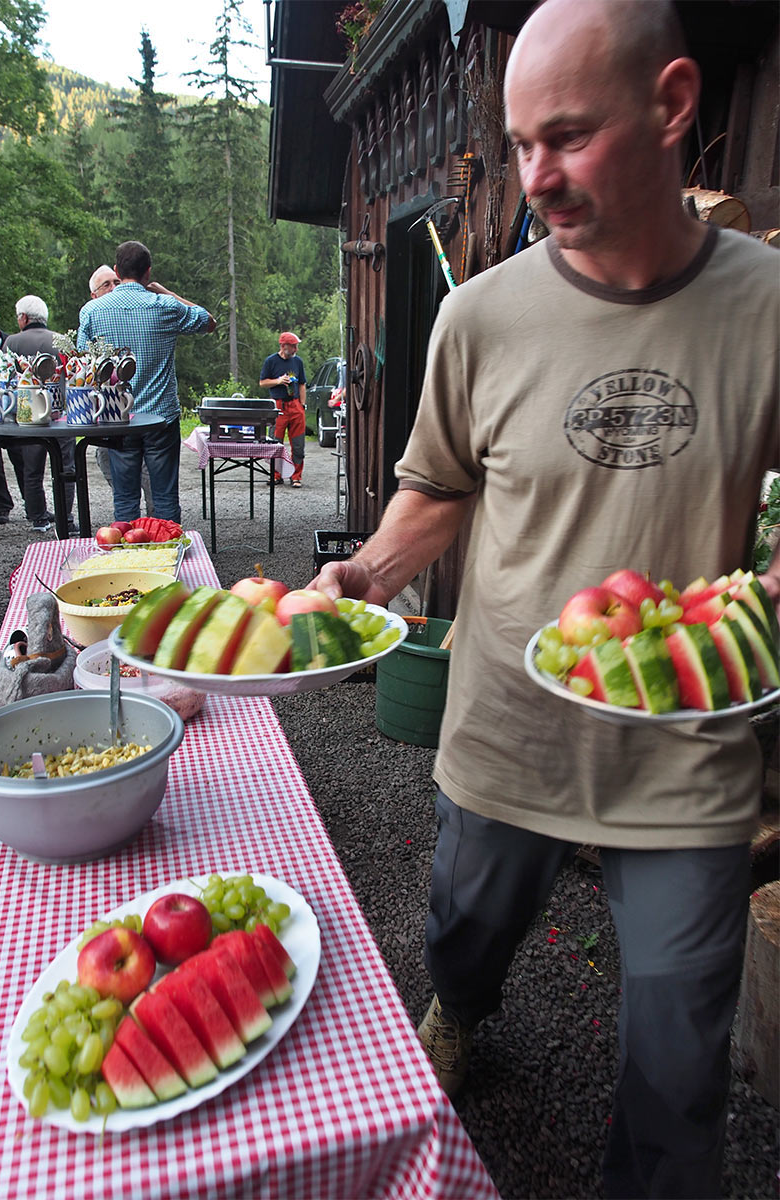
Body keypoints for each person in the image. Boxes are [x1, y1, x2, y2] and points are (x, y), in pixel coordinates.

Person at [309, 2, 780, 1196]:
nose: (536, 177)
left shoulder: (768, 306)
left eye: (566, 137)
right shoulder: (479, 315)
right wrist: (368, 574)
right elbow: (436, 489)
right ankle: (462, 1011)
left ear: (671, 105)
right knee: (462, 933)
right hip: (506, 723)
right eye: (520, 144)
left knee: (678, 1061)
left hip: (683, 737)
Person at [77, 240, 216, 522]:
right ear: (148, 271)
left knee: (124, 499)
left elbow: (82, 361)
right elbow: (208, 321)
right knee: (165, 498)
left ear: (117, 270)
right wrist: (168, 292)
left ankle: (128, 546)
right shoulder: (166, 306)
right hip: (160, 417)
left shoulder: (91, 311)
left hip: (117, 416)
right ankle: (166, 548)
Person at [1, 295, 77, 533]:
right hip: (61, 414)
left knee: (32, 469)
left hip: (29, 415)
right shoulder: (62, 340)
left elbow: (5, 378)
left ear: (23, 318)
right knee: (67, 468)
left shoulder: (12, 342)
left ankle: (38, 518)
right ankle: (67, 519)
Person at [86, 265, 154, 517]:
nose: (114, 288)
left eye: (116, 282)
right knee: (123, 492)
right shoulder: (92, 317)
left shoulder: (140, 313)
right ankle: (129, 531)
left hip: (146, 415)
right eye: (106, 285)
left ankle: (155, 529)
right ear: (94, 295)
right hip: (109, 419)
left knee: (153, 489)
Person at [0, 295, 32, 525]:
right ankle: (2, 507)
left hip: (11, 409)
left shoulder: (8, 341)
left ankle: (33, 506)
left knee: (22, 457)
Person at [259, 332, 307, 487]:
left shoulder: (298, 362)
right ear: (283, 346)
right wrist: (278, 381)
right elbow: (262, 383)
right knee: (275, 443)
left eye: (296, 346)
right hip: (278, 406)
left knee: (298, 444)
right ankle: (276, 475)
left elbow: (302, 384)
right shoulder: (271, 361)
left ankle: (296, 476)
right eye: (293, 346)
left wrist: (302, 405)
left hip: (295, 405)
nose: (295, 349)